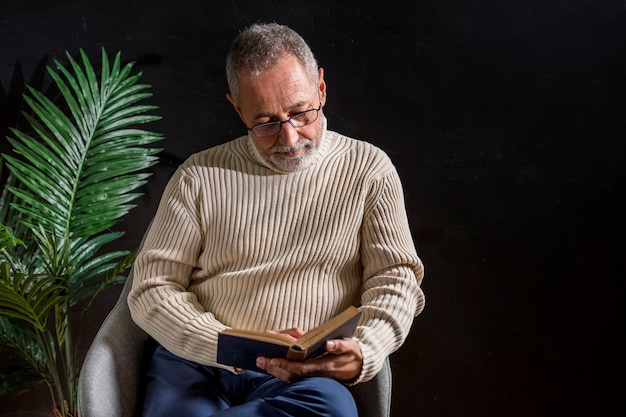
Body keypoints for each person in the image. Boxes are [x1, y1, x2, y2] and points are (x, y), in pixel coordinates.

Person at [128, 22, 425, 417]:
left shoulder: (369, 169)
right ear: (237, 108)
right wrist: (222, 342)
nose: (289, 138)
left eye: (301, 113)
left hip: (303, 373)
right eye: (265, 123)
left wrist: (366, 349)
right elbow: (152, 287)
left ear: (321, 88)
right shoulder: (198, 175)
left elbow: (396, 279)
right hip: (197, 363)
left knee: (331, 411)